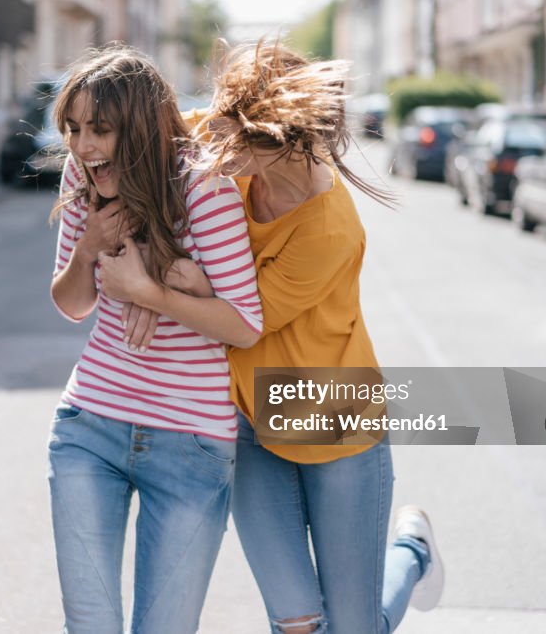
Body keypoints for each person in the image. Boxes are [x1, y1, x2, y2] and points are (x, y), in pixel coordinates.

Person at [113, 41, 446, 634]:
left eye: (231, 142)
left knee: (353, 627)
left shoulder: (328, 225)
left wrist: (162, 286)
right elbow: (138, 145)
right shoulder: (229, 141)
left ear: (279, 142)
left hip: (336, 426)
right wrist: (138, 245)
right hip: (248, 421)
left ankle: (412, 554)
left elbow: (242, 326)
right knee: (297, 622)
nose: (212, 152)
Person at [47, 44, 263, 634]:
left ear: (140, 127)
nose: (83, 146)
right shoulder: (82, 178)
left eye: (100, 129)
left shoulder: (203, 188)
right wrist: (90, 244)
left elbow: (245, 325)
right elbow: (72, 304)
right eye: (72, 129)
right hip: (90, 427)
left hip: (190, 444)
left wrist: (148, 290)